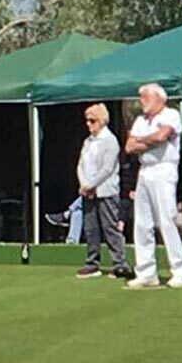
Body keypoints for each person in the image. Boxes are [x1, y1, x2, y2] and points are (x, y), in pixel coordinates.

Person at [124, 83, 182, 289]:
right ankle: (145, 272)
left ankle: (180, 270)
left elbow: (162, 136)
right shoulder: (140, 120)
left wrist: (142, 141)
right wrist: (150, 140)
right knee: (142, 223)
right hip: (145, 170)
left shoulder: (171, 114)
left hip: (164, 169)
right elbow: (129, 146)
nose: (141, 100)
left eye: (145, 96)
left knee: (166, 220)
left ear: (158, 98)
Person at [74, 103, 132, 279]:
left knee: (110, 228)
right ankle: (92, 263)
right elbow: (81, 164)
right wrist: (84, 184)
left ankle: (120, 264)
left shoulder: (110, 141)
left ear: (101, 121)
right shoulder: (88, 141)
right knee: (90, 228)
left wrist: (91, 185)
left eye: (92, 121)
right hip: (88, 191)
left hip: (105, 191)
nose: (88, 124)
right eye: (87, 121)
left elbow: (107, 169)